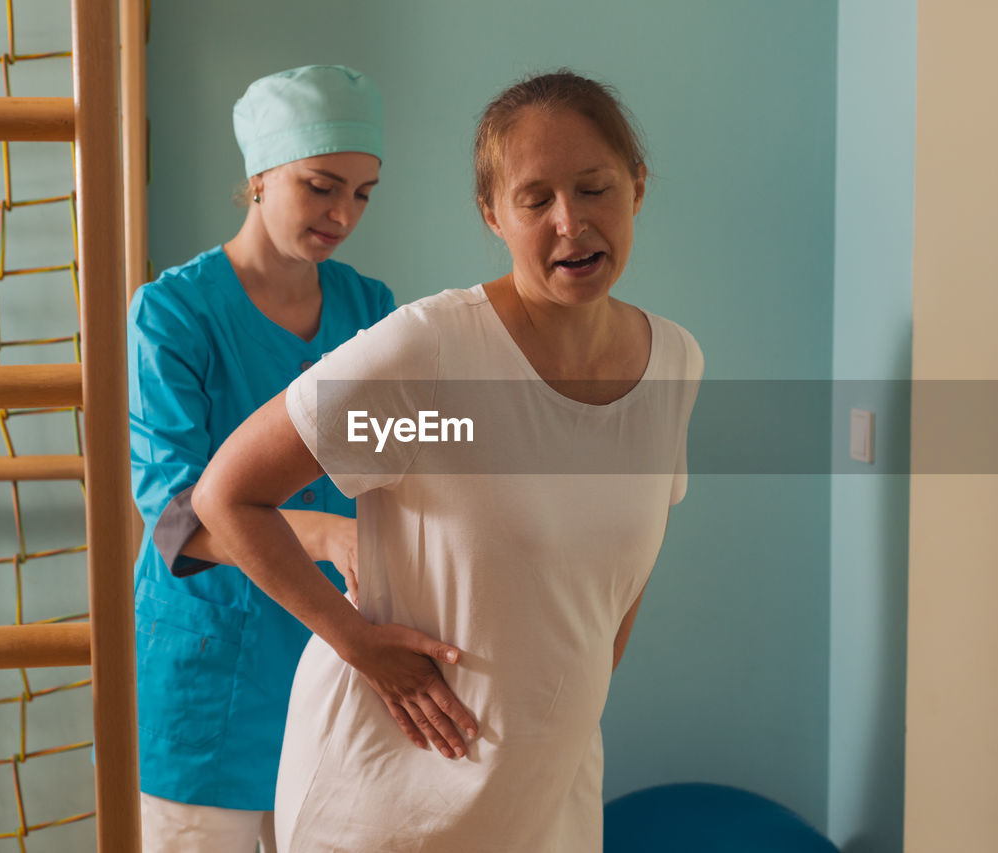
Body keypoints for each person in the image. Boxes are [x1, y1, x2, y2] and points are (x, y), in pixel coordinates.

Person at [192, 70, 703, 852]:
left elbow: (613, 581)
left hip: (545, 794)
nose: (571, 222)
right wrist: (355, 642)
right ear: (492, 214)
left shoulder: (674, 364)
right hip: (388, 802)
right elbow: (225, 494)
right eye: (535, 200)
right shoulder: (434, 354)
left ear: (636, 187)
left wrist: (559, 709)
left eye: (594, 188)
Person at [127, 65, 395, 853]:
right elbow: (177, 515)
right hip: (211, 684)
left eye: (363, 192)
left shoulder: (369, 307)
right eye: (321, 186)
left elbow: (399, 455)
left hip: (340, 653)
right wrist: (322, 534)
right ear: (258, 176)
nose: (343, 213)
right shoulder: (172, 314)